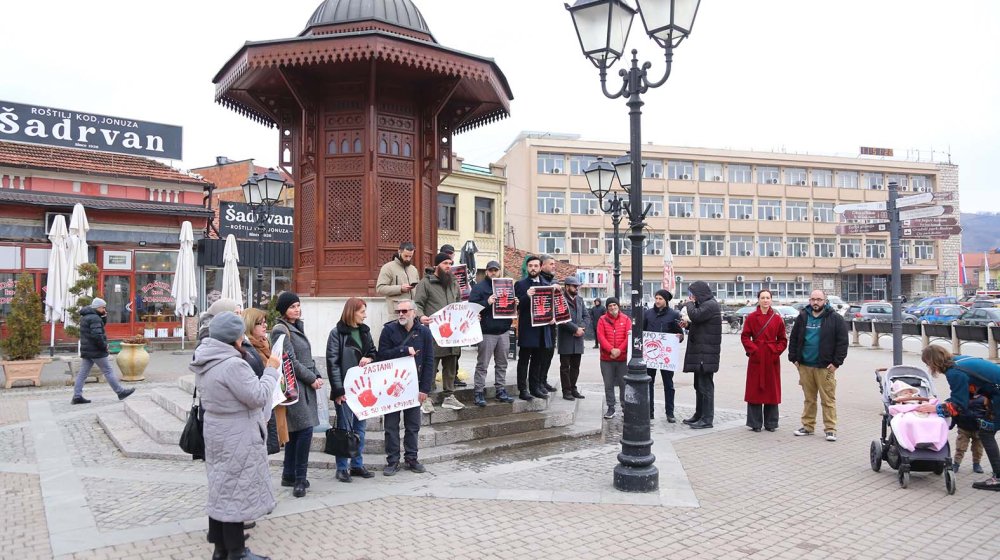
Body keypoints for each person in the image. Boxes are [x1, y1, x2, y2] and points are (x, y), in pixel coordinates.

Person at [189, 312, 279, 560]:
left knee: (221, 488)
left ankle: (221, 548)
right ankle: (237, 551)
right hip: (237, 432)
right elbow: (258, 396)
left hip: (217, 429)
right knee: (235, 492)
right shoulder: (233, 365)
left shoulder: (207, 357)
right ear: (235, 337)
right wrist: (271, 371)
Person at [917, 347, 1000, 490]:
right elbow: (965, 394)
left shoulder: (954, 372)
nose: (928, 367)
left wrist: (936, 409)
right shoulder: (959, 361)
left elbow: (959, 405)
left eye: (927, 363)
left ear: (933, 362)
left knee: (986, 432)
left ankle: (998, 478)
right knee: (987, 431)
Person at [270, 292, 322, 498]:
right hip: (294, 386)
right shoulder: (280, 330)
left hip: (303, 386)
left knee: (298, 431)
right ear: (283, 310)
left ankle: (289, 473)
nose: (297, 309)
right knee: (304, 430)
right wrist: (311, 378)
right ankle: (300, 479)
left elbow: (305, 356)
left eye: (298, 305)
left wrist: (316, 373)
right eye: (292, 307)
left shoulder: (295, 327)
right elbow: (289, 360)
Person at [377, 300, 435, 475]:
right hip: (392, 387)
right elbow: (382, 356)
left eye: (404, 311)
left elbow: (429, 361)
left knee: (412, 425)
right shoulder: (388, 330)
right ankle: (392, 460)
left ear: (414, 313)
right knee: (391, 425)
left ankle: (412, 458)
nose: (401, 314)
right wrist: (403, 350)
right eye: (398, 311)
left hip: (414, 387)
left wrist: (425, 389)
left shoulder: (424, 332)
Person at [325, 297, 377, 483]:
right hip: (345, 390)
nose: (365, 315)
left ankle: (357, 464)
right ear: (352, 312)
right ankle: (342, 468)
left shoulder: (365, 331)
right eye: (362, 311)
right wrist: (338, 391)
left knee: (360, 429)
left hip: (363, 389)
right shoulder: (337, 333)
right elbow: (333, 364)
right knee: (344, 429)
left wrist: (369, 358)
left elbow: (373, 351)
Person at [787, 289, 849, 441]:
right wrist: (794, 358)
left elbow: (842, 342)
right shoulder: (802, 317)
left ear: (825, 301)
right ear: (809, 300)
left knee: (828, 398)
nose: (816, 302)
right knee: (809, 398)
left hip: (825, 367)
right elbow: (794, 338)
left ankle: (830, 429)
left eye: (819, 299)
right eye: (813, 299)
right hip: (805, 365)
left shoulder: (834, 318)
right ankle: (808, 426)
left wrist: (836, 362)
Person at [414, 253, 464, 410]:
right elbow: (417, 304)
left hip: (452, 333)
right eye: (445, 263)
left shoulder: (454, 283)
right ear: (436, 266)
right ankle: (426, 397)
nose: (448, 266)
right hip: (433, 332)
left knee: (450, 364)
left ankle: (449, 396)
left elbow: (459, 305)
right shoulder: (426, 283)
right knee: (430, 365)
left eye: (450, 263)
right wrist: (421, 317)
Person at [468, 260, 517, 407]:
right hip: (487, 332)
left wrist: (515, 303)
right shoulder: (479, 287)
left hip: (503, 331)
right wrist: (487, 302)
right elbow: (472, 308)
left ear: (499, 271)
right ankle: (478, 392)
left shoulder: (507, 286)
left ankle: (500, 390)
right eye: (490, 270)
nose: (493, 272)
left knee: (502, 364)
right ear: (487, 271)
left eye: (495, 270)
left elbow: (510, 307)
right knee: (483, 364)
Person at [71, 297, 135, 404]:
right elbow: (97, 335)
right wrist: (104, 346)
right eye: (103, 308)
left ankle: (77, 396)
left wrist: (103, 316)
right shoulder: (95, 318)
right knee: (108, 371)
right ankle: (120, 392)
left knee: (82, 373)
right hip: (96, 350)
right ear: (98, 307)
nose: (105, 310)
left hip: (87, 349)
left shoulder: (86, 317)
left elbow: (99, 327)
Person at [740, 289, 788, 432]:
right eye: (763, 297)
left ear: (771, 300)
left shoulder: (777, 319)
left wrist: (775, 351)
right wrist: (754, 350)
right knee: (755, 390)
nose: (765, 300)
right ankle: (755, 423)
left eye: (768, 297)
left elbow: (783, 340)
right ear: (758, 300)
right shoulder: (752, 317)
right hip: (757, 358)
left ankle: (771, 423)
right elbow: (745, 337)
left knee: (771, 389)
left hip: (771, 358)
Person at [242, 309, 286, 456]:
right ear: (249, 326)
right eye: (259, 323)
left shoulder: (265, 344)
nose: (264, 325)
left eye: (265, 322)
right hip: (259, 406)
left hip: (272, 400)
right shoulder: (248, 350)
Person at [679, 281, 722, 429]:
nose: (691, 297)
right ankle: (699, 414)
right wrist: (688, 325)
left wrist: (689, 304)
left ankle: (707, 419)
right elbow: (700, 323)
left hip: (707, 354)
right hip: (701, 352)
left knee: (706, 387)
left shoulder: (711, 305)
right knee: (699, 385)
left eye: (693, 294)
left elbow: (696, 316)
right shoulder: (706, 305)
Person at [514, 255, 554, 401]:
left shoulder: (546, 284)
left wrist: (552, 317)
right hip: (527, 328)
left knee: (538, 360)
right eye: (530, 266)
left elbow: (551, 306)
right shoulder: (520, 285)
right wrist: (526, 296)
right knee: (524, 360)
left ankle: (535, 387)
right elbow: (516, 306)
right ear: (527, 267)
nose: (533, 268)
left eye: (536, 266)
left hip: (542, 329)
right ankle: (522, 389)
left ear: (541, 267)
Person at [644, 289, 683, 422]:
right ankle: (649, 411)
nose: (657, 301)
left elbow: (680, 333)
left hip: (666, 356)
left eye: (660, 298)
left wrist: (680, 336)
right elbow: (642, 331)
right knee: (649, 383)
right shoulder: (648, 314)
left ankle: (670, 412)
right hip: (651, 356)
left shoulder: (673, 315)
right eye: (656, 298)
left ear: (666, 300)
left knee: (668, 384)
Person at [886, 380, 949, 453]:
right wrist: (900, 401)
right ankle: (917, 441)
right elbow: (895, 408)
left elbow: (930, 403)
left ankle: (932, 440)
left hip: (923, 411)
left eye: (910, 392)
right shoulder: (900, 401)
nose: (909, 394)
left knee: (939, 421)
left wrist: (928, 401)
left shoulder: (919, 398)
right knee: (909, 422)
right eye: (905, 393)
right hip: (909, 412)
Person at [557, 276, 591, 401]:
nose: (577, 288)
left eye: (577, 286)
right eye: (574, 286)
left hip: (578, 338)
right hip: (566, 338)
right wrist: (575, 329)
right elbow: (561, 318)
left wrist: (582, 328)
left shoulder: (580, 300)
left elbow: (586, 316)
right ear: (567, 287)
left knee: (576, 366)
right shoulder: (560, 300)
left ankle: (573, 388)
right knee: (565, 366)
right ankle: (566, 390)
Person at [597, 297, 630, 419]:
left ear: (618, 306)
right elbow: (601, 336)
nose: (612, 308)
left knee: (623, 384)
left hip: (622, 358)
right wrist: (611, 350)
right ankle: (611, 407)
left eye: (614, 305)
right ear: (607, 308)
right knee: (608, 384)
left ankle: (625, 407)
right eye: (610, 306)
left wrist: (619, 350)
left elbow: (628, 336)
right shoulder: (602, 320)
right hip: (606, 358)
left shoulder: (626, 319)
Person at [375, 241, 420, 315]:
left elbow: (418, 290)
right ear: (399, 251)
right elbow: (380, 288)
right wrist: (400, 288)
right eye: (406, 256)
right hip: (396, 314)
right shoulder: (388, 267)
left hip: (412, 314)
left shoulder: (414, 269)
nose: (408, 259)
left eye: (410, 256)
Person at [537, 255, 559, 393]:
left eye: (554, 264)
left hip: (552, 324)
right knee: (542, 354)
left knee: (549, 353)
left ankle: (543, 380)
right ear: (543, 265)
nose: (553, 266)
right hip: (541, 325)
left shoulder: (552, 280)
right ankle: (538, 382)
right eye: (551, 264)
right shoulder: (540, 281)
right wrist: (551, 287)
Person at [953, 394, 987, 474]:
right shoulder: (962, 397)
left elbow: (989, 412)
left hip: (979, 429)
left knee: (978, 449)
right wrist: (952, 424)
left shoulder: (984, 399)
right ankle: (956, 464)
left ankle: (976, 464)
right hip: (964, 428)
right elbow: (955, 412)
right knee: (960, 447)